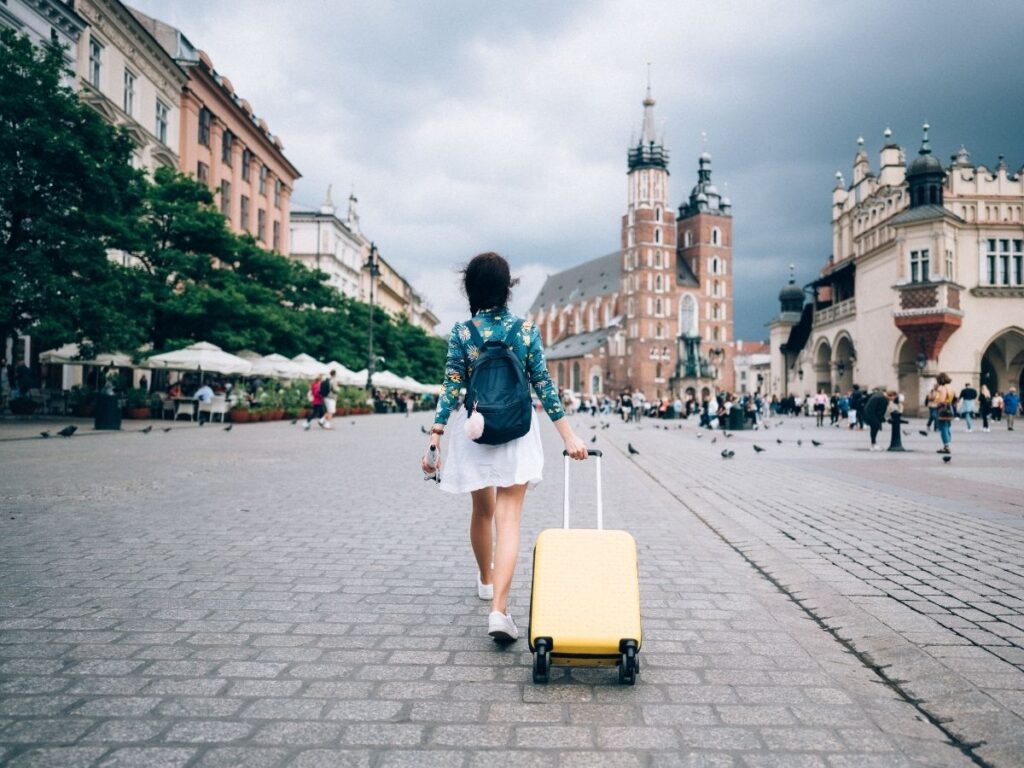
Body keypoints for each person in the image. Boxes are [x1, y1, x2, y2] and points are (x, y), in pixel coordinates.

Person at [421, 252, 587, 643]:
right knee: (509, 519)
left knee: (482, 511)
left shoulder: (463, 332)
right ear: (507, 287)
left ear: (472, 289)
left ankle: (484, 578)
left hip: (475, 430)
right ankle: (499, 609)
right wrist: (569, 435)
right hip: (516, 427)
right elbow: (544, 385)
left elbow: (451, 387)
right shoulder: (525, 330)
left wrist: (435, 436)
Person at [933, 373, 956, 453]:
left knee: (943, 427)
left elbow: (941, 400)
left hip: (943, 409)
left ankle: (946, 446)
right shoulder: (950, 387)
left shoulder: (942, 388)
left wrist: (936, 396)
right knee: (947, 426)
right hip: (950, 408)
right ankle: (947, 443)